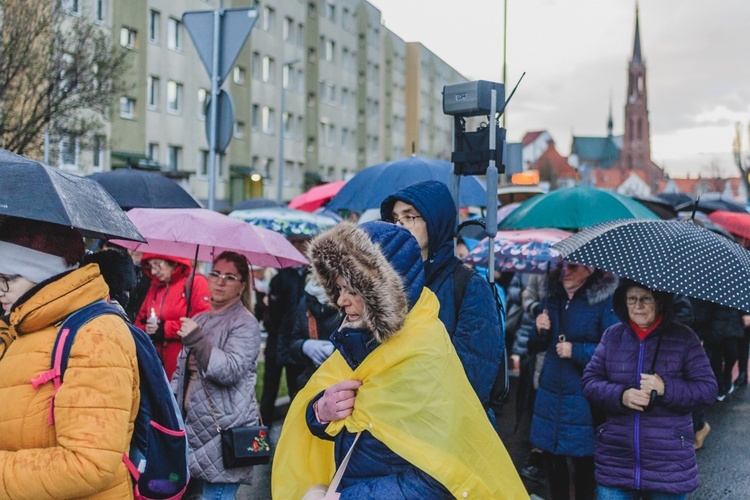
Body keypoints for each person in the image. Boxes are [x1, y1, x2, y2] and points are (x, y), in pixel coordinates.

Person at [271, 222, 527, 499]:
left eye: (353, 290)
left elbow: (444, 475)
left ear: (384, 292)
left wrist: (352, 497)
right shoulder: (359, 341)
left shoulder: (422, 353)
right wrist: (321, 412)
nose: (342, 300)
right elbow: (332, 418)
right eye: (339, 288)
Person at [0, 217, 139, 498]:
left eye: (8, 278)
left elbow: (89, 464)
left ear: (45, 275)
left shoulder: (96, 337)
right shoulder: (24, 323)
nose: (1, 290)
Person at [581, 279, 718, 499]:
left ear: (660, 302)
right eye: (631, 299)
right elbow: (589, 381)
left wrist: (666, 388)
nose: (638, 306)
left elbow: (708, 390)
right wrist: (621, 395)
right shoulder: (612, 336)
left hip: (668, 464)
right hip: (618, 458)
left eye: (646, 298)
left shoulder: (684, 339)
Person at [380, 180, 503, 419]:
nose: (400, 226)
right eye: (395, 219)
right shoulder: (387, 282)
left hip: (443, 426)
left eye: (410, 217)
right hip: (389, 424)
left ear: (435, 221)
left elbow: (474, 373)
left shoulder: (468, 285)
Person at [171, 251, 262, 499]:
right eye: (215, 273)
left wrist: (197, 339)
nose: (220, 281)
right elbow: (181, 373)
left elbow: (230, 370)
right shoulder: (200, 318)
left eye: (230, 277)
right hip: (192, 427)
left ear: (242, 286)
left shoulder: (245, 324)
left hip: (224, 433)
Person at [527, 261, 618, 500]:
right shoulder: (552, 298)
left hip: (583, 397)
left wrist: (576, 350)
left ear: (590, 270)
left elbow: (614, 350)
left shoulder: (603, 302)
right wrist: (539, 330)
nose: (565, 270)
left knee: (584, 466)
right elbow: (533, 347)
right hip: (550, 393)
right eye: (563, 266)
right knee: (553, 462)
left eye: (573, 267)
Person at [135, 253, 210, 379]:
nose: (153, 271)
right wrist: (146, 329)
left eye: (158, 264)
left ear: (172, 261)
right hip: (155, 364)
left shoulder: (195, 282)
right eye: (150, 266)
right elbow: (139, 322)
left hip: (182, 365)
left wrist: (166, 329)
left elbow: (203, 322)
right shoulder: (156, 285)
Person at [261, 237, 309, 425]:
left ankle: (294, 428)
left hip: (296, 342)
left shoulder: (310, 276)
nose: (299, 246)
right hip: (277, 339)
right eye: (294, 242)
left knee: (295, 389)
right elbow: (273, 311)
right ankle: (262, 430)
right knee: (269, 389)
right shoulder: (281, 276)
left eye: (301, 242)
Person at [278, 275, 342, 390]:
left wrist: (334, 350)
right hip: (310, 379)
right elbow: (293, 342)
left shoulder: (347, 299)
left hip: (340, 381)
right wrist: (305, 346)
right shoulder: (306, 300)